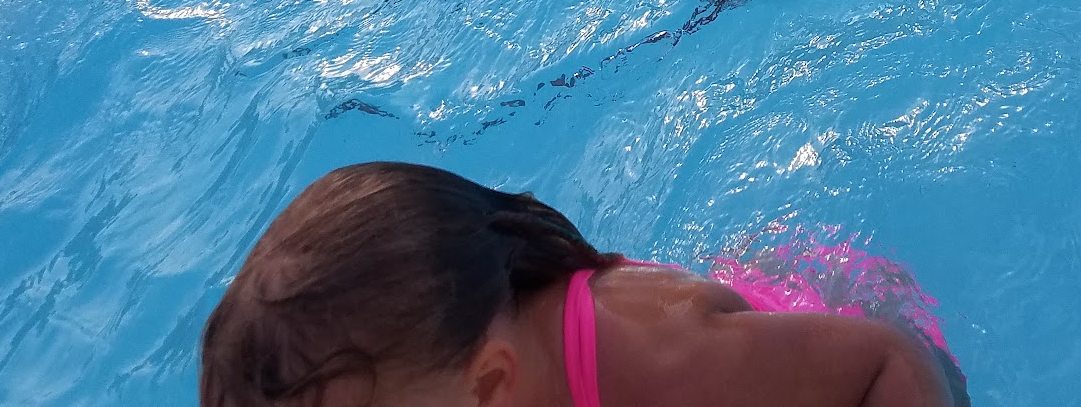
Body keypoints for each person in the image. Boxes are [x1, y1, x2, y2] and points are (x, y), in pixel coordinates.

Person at [199, 162, 968, 407]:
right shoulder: (472, 376)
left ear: (488, 388)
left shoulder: (663, 365)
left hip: (853, 343)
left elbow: (889, 361)